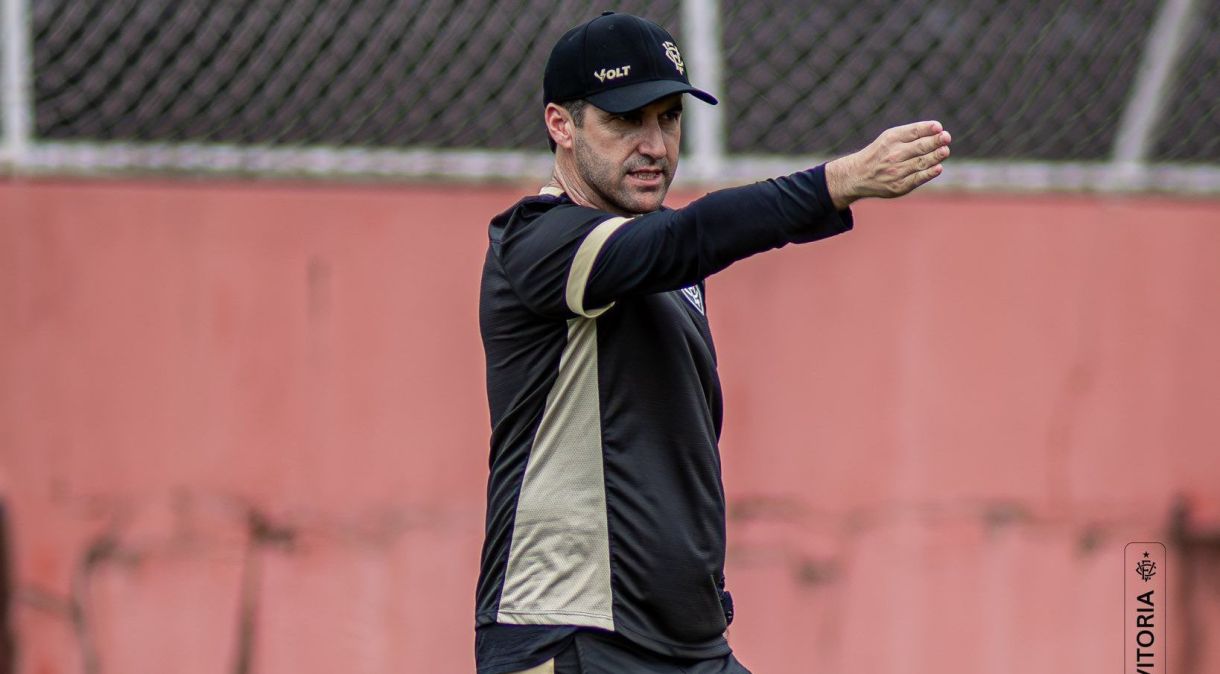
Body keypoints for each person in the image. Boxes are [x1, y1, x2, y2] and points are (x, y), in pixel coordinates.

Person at [475, 11, 951, 674]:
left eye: (668, 118)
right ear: (561, 124)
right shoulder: (537, 242)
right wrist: (835, 182)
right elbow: (692, 235)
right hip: (574, 637)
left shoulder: (663, 260)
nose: (654, 145)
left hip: (690, 647)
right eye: (624, 120)